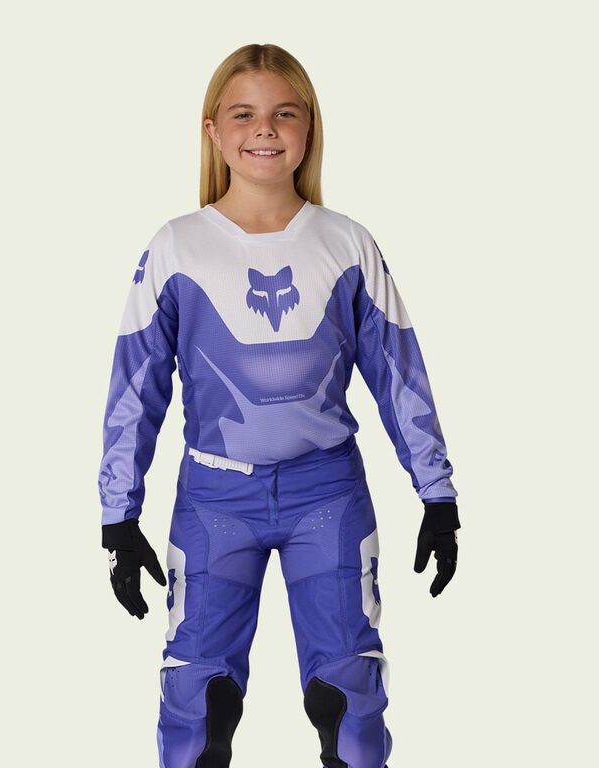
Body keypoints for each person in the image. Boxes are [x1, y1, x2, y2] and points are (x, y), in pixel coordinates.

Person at [97, 43, 460, 768]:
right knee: (196, 710)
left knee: (349, 703)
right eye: (243, 114)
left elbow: (399, 371)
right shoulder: (176, 247)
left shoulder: (346, 243)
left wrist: (438, 493)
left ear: (309, 127)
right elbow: (136, 382)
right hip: (213, 500)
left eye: (283, 113)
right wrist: (118, 515)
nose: (264, 128)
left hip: (327, 495)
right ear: (212, 131)